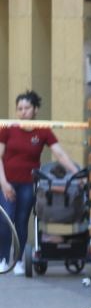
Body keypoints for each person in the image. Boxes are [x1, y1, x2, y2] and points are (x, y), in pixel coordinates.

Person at [0, 90, 81, 274]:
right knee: (5, 222)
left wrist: (76, 172)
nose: (23, 112)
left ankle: (19, 261)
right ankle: (3, 258)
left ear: (35, 109)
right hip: (7, 182)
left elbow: (59, 153)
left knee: (21, 221)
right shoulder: (7, 128)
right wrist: (3, 183)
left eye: (27, 108)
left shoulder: (43, 130)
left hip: (28, 183)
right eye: (19, 108)